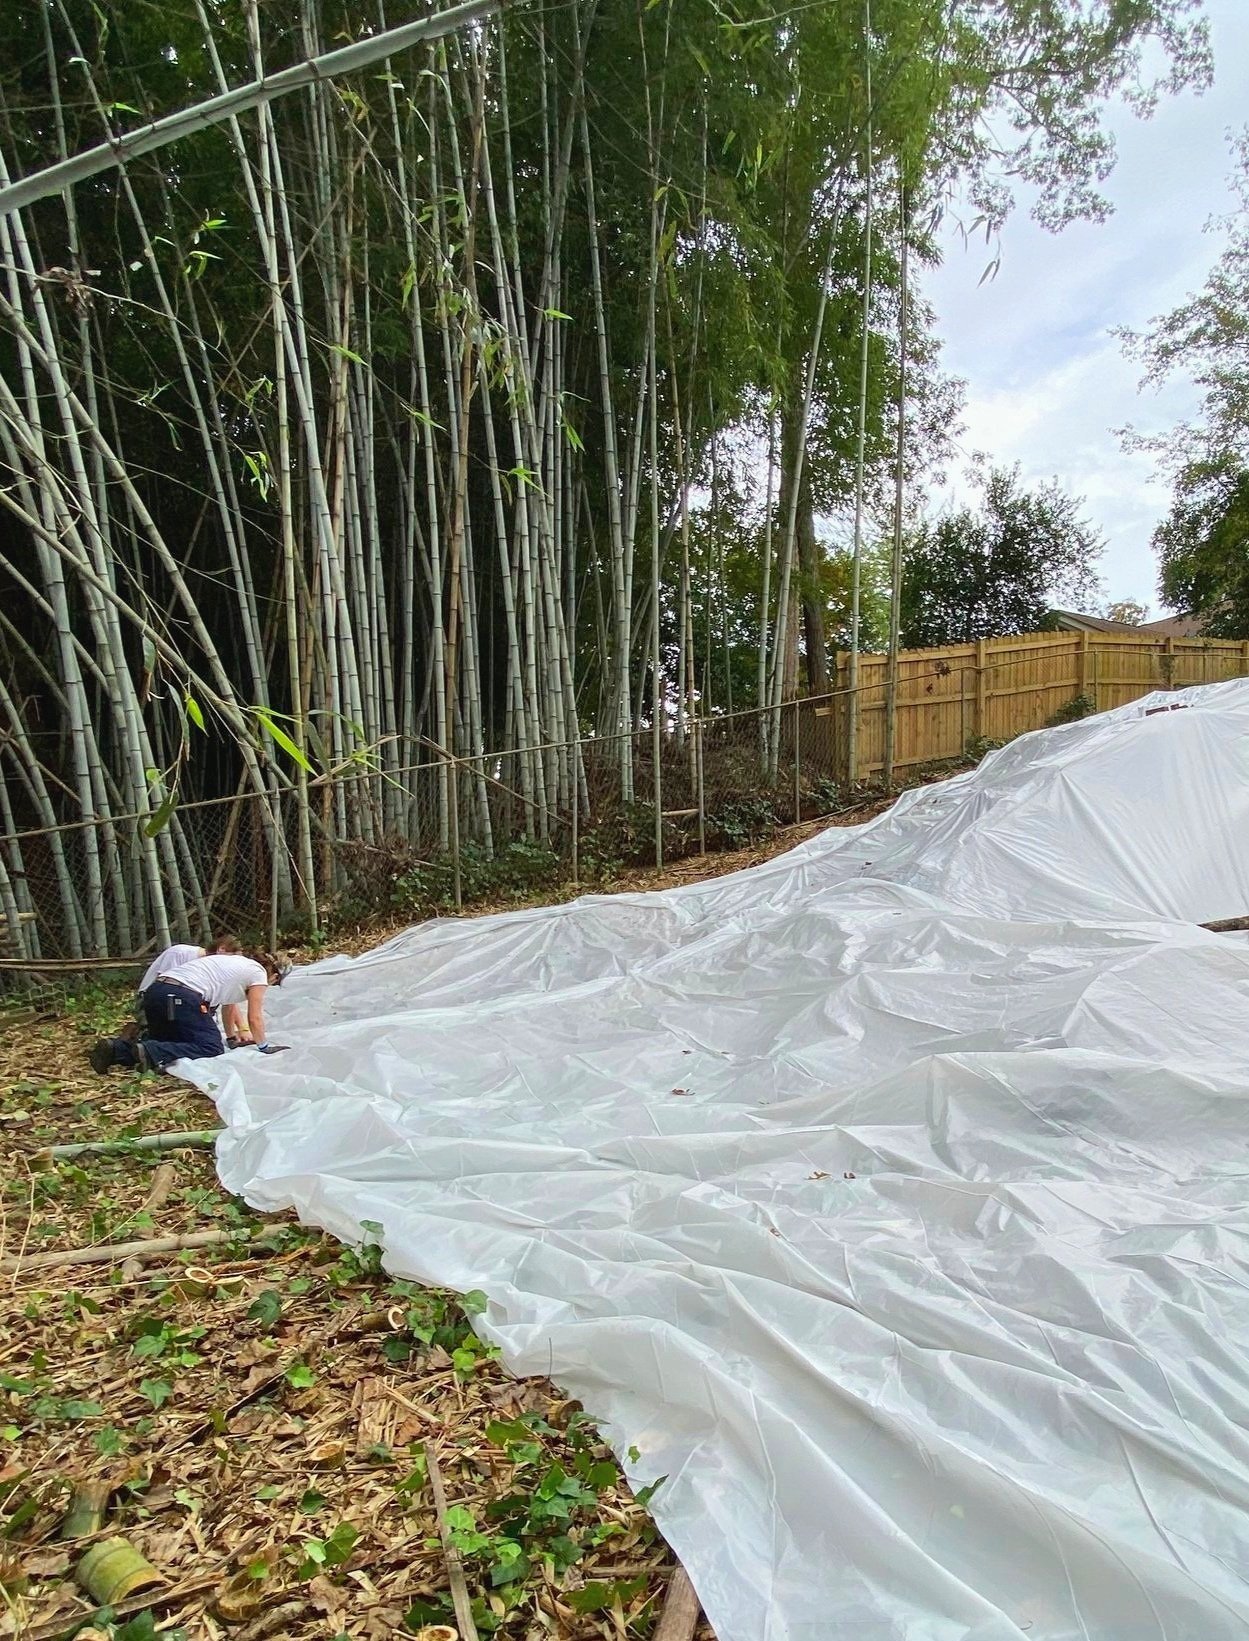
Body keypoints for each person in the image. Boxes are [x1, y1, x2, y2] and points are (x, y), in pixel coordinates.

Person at [90, 949, 287, 1073]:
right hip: (181, 996)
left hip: (156, 993)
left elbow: (229, 1007)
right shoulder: (258, 974)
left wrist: (232, 1038)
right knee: (210, 1047)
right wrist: (264, 1046)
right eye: (275, 982)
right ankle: (150, 1051)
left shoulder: (238, 965)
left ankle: (116, 1049)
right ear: (274, 974)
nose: (270, 985)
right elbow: (255, 1017)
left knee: (174, 1041)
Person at [124, 936, 241, 1037]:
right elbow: (163, 988)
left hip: (188, 1004)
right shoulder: (180, 953)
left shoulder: (217, 967)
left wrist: (242, 1030)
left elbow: (229, 1000)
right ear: (221, 950)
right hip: (157, 1000)